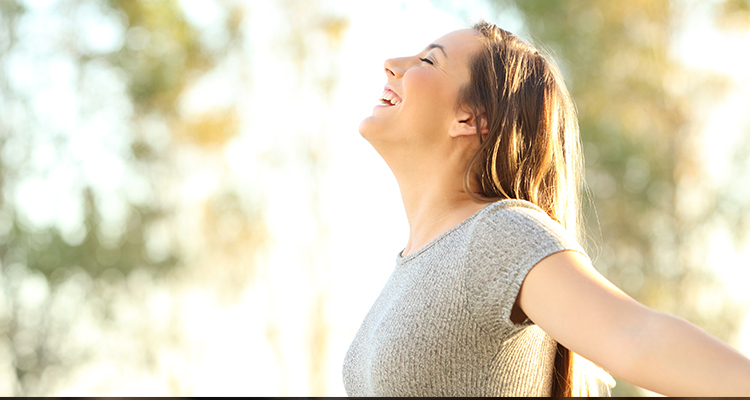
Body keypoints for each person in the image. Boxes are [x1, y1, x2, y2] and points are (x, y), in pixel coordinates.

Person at [341, 20, 750, 396]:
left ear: (471, 118)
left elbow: (636, 336)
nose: (391, 64)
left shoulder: (496, 235)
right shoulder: (410, 266)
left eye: (428, 60)